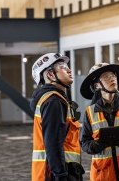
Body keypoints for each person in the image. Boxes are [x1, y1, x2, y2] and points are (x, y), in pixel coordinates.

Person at [30, 53, 84, 181]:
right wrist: (61, 175)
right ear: (50, 74)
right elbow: (52, 142)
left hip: (58, 169)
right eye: (62, 67)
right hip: (55, 173)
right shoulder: (53, 101)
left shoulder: (54, 99)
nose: (69, 70)